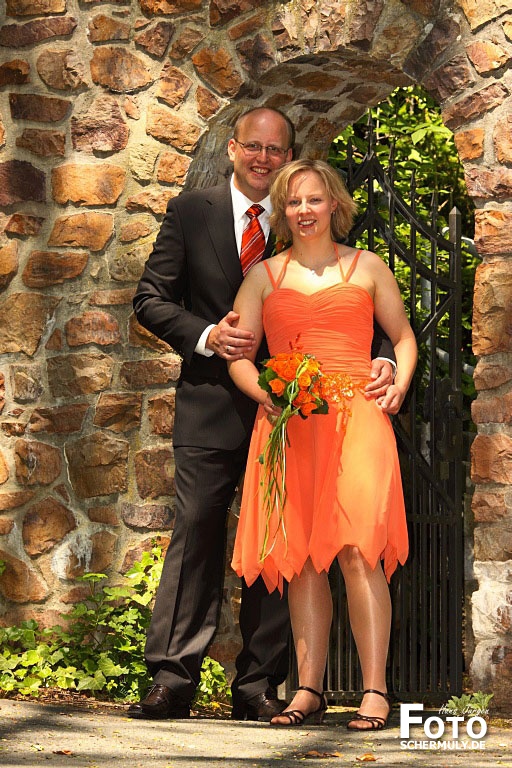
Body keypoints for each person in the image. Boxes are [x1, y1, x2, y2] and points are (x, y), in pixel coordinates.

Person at [130, 109, 396, 722]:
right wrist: (208, 336)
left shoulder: (300, 212)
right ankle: (172, 679)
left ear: (290, 158)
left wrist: (381, 357)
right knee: (197, 532)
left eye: (275, 150)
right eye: (253, 146)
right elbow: (150, 298)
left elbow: (355, 307)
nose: (263, 158)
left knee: (287, 544)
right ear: (232, 148)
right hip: (213, 403)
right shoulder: (191, 212)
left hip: (305, 417)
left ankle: (259, 682)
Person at [228, 158, 417, 729]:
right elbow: (239, 354)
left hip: (359, 419)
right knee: (305, 560)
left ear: (334, 203)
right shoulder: (263, 276)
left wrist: (398, 381)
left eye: (314, 199)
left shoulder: (368, 267)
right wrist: (265, 392)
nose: (304, 210)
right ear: (282, 211)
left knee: (360, 550)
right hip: (291, 424)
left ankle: (375, 691)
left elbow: (404, 338)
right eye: (293, 202)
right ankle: (308, 689)